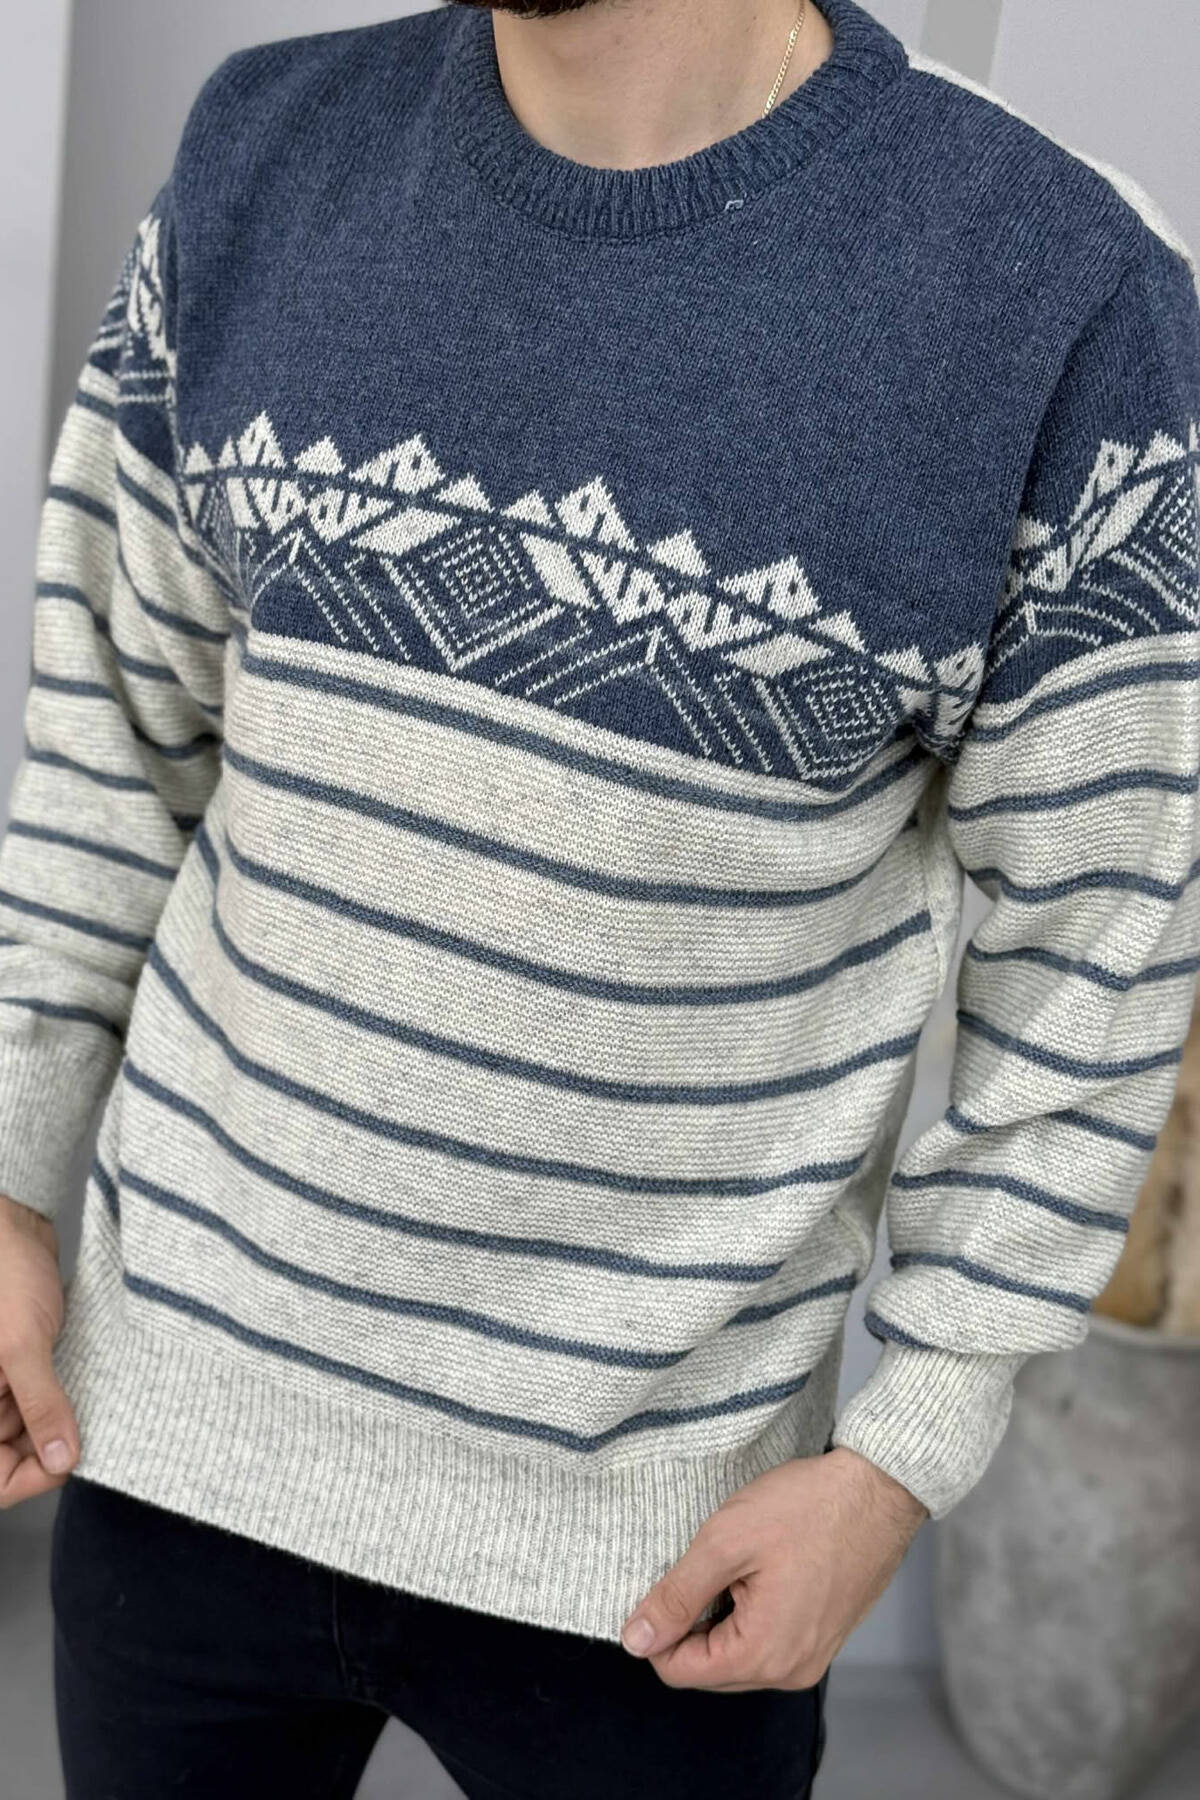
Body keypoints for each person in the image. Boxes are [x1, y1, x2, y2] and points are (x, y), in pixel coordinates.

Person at [1, 0, 1197, 1794]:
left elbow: (1098, 965)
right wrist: (10, 1180)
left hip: (659, 1559)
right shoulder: (263, 152)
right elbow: (112, 745)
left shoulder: (1057, 288)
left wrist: (899, 1462)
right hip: (174, 1449)